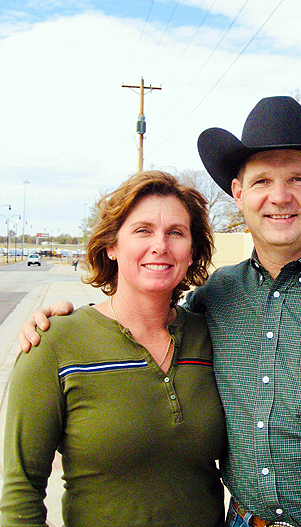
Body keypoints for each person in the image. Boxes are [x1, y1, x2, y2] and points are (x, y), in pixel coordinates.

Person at [17, 97, 301, 527]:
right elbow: (147, 315)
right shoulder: (216, 298)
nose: (279, 197)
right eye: (261, 181)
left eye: (297, 179)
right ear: (239, 194)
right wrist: (68, 326)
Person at [1, 170, 226, 527]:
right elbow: (20, 494)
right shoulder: (53, 344)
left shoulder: (212, 336)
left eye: (176, 232)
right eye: (142, 230)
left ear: (191, 251)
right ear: (111, 246)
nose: (160, 245)